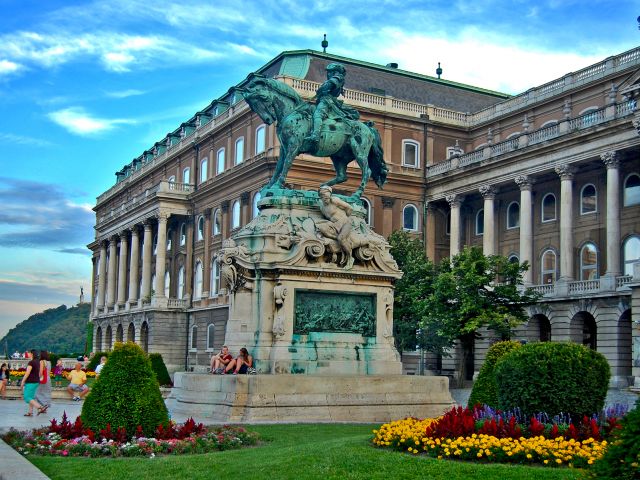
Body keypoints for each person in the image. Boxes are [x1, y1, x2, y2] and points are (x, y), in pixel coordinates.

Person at [304, 62, 360, 148]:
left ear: (335, 72)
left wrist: (323, 89)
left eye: (330, 72)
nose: (328, 74)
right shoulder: (333, 79)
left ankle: (315, 135)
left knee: (318, 114)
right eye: (328, 72)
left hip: (327, 101)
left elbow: (328, 86)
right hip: (323, 100)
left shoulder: (338, 78)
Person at [21, 350, 45, 416]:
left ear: (31, 354)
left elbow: (27, 373)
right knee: (31, 397)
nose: (27, 354)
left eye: (28, 353)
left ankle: (40, 407)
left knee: (27, 397)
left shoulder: (31, 362)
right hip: (36, 381)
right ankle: (30, 412)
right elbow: (40, 372)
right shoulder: (38, 362)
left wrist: (22, 381)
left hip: (30, 382)